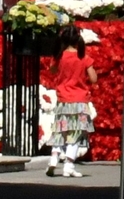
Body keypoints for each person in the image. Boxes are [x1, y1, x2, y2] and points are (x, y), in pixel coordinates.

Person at [38, 25, 95, 177]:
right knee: (75, 133)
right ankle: (69, 165)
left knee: (60, 130)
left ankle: (54, 158)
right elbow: (94, 78)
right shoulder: (84, 58)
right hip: (80, 101)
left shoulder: (59, 56)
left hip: (63, 100)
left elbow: (52, 71)